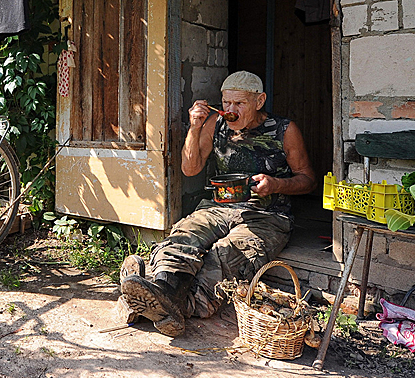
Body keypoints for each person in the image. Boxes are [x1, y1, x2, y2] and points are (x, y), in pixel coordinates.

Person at [116, 70, 316, 337]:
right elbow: (190, 169)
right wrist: (195, 127)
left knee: (225, 256)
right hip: (217, 207)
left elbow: (308, 180)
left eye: (239, 103)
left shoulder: (284, 130)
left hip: (267, 215)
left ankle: (159, 300)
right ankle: (163, 290)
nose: (230, 110)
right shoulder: (216, 123)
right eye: (226, 103)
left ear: (259, 101)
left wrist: (276, 184)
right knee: (183, 238)